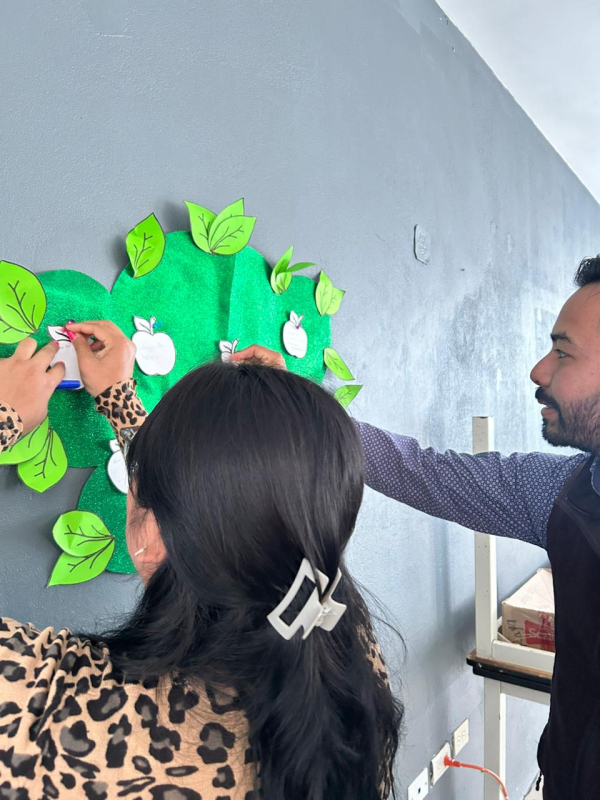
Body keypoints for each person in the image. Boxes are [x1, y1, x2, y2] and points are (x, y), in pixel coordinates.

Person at [232, 256, 600, 800]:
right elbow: (420, 471)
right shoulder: (565, 492)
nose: (538, 371)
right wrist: (299, 404)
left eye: (563, 352)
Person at [0, 321, 402, 800]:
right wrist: (120, 399)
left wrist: (5, 415)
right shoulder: (344, 646)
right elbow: (234, 513)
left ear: (152, 541)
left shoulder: (51, 709)